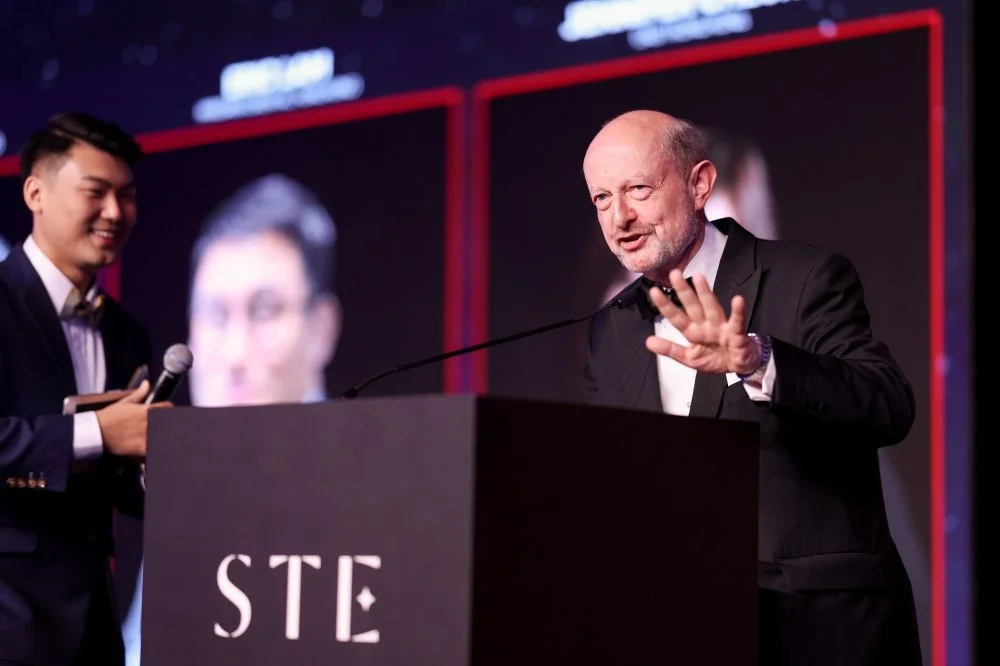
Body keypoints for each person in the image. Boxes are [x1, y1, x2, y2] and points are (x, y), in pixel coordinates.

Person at [581, 110, 921, 666]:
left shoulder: (805, 278)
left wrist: (759, 360)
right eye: (601, 198)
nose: (620, 217)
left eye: (638, 189)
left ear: (699, 184)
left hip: (819, 632)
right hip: (686, 631)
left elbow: (889, 404)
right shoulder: (611, 327)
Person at [120, 173, 341, 666]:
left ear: (322, 328)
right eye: (216, 315)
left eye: (265, 312)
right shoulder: (188, 487)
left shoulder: (371, 489)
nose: (236, 353)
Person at [0, 113, 168, 665]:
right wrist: (99, 431)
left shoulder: (126, 332)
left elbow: (119, 490)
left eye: (127, 195)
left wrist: (160, 462)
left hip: (94, 623)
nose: (115, 212)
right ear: (36, 193)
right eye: (95, 192)